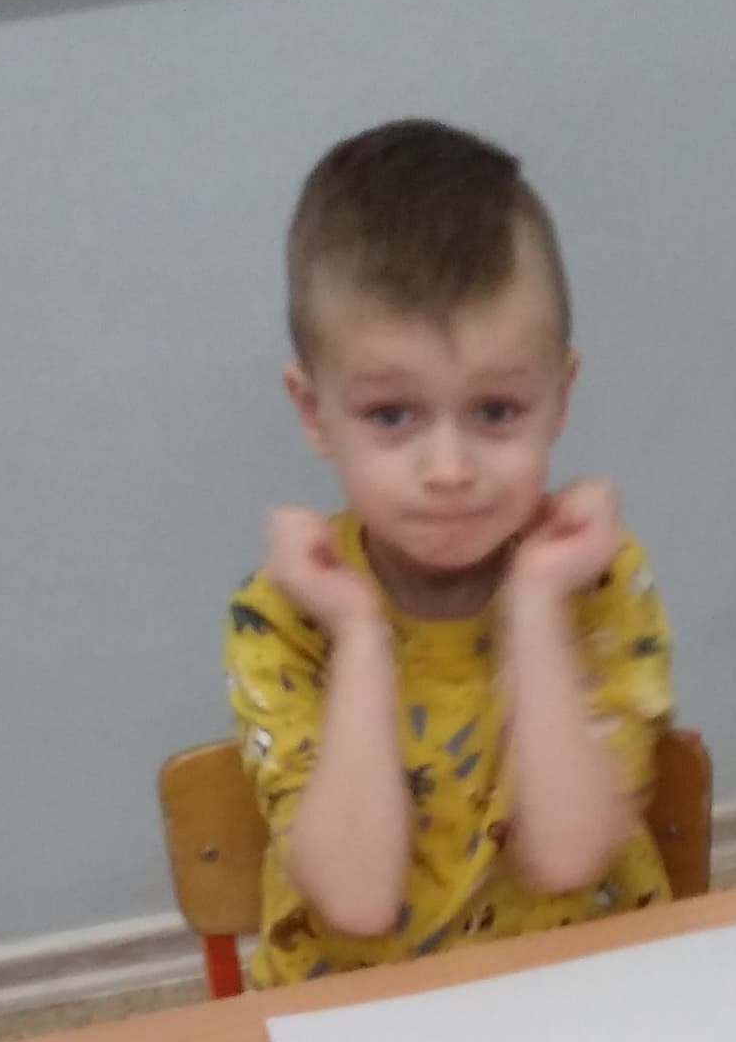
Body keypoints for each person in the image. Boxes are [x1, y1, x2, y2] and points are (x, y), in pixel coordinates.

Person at [224, 116, 673, 989]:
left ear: (559, 397)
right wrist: (359, 633)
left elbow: (568, 857)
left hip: (580, 992)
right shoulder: (283, 611)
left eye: (496, 411)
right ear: (314, 412)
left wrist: (535, 606)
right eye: (392, 416)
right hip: (359, 1017)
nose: (449, 471)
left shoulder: (595, 575)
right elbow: (356, 900)